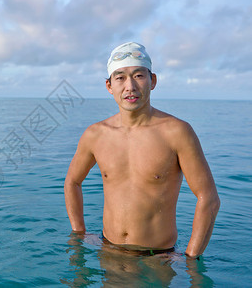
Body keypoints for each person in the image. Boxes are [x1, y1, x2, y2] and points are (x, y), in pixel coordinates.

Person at [64, 42, 220, 259]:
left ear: (152, 80)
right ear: (109, 86)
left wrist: (190, 259)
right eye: (120, 78)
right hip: (109, 252)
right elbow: (72, 182)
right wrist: (79, 233)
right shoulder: (96, 134)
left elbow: (209, 197)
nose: (130, 86)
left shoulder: (176, 132)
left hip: (157, 259)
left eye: (138, 75)